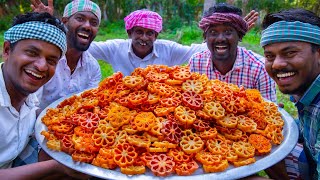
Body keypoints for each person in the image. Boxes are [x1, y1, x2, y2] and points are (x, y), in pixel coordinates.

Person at [31, 0, 259, 76]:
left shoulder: (168, 50)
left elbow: (199, 49)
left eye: (150, 33)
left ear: (156, 36)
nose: (144, 37)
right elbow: (82, 44)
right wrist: (55, 26)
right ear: (129, 33)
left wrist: (233, 35)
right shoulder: (114, 48)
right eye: (138, 32)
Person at [0, 11, 87, 179]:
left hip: (15, 161)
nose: (41, 66)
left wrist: (73, 121)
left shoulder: (28, 91)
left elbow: (34, 114)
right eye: (32, 53)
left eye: (51, 60)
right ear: (7, 49)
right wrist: (57, 167)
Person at [259, 8, 320, 180]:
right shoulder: (308, 94)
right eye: (270, 56)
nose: (277, 64)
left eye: (290, 53)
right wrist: (273, 122)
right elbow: (305, 130)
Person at [188, 3, 276, 102]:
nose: (220, 39)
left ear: (239, 35)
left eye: (228, 32)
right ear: (205, 37)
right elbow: (191, 100)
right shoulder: (196, 62)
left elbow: (270, 111)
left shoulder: (260, 68)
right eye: (213, 32)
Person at [34, 0, 102, 111]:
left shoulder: (93, 67)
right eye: (80, 18)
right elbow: (30, 105)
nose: (87, 26)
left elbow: (90, 105)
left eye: (94, 23)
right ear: (65, 21)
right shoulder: (45, 61)